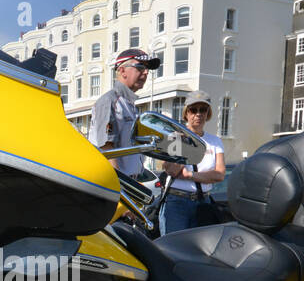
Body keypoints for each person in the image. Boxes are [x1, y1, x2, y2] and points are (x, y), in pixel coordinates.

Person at [159, 91, 226, 235]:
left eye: (203, 110)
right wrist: (185, 143)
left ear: (208, 113)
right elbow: (171, 170)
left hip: (203, 203)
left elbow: (220, 175)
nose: (198, 114)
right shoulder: (174, 137)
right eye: (193, 110)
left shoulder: (215, 142)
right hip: (176, 202)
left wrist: (190, 175)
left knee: (199, 251)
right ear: (186, 113)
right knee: (173, 249)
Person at [89, 48, 162, 178]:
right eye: (140, 67)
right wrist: (121, 187)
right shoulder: (109, 101)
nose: (146, 72)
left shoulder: (130, 105)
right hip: (114, 184)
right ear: (122, 71)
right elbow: (106, 149)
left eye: (147, 69)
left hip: (129, 181)